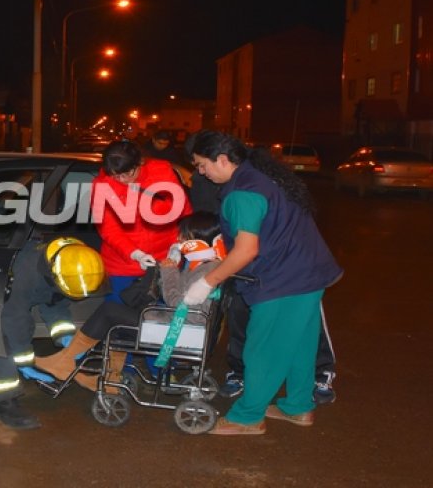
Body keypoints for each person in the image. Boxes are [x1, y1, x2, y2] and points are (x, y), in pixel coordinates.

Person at [185, 130, 342, 436]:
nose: (201, 172)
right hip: (308, 271)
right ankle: (298, 406)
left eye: (202, 165)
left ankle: (248, 417)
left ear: (222, 159)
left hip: (283, 279)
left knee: (262, 349)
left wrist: (207, 281)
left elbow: (246, 250)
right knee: (300, 345)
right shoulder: (260, 177)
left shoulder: (242, 193)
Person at [35, 211, 223, 393]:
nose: (179, 240)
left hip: (180, 330)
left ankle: (66, 361)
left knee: (109, 311)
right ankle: (109, 377)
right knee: (117, 320)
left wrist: (169, 270)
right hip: (182, 325)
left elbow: (175, 302)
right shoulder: (207, 264)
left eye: (184, 236)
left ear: (195, 240)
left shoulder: (206, 270)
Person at [0, 237, 104, 429]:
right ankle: (3, 402)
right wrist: (24, 361)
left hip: (1, 295)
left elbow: (55, 302)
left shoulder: (68, 264)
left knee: (4, 339)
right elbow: (14, 320)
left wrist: (65, 335)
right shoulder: (24, 273)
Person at [92, 140, 192, 304]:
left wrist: (179, 244)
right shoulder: (102, 185)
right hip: (122, 265)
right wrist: (135, 254)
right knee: (118, 311)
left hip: (165, 260)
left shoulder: (162, 172)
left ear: (140, 162)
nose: (123, 179)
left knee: (160, 312)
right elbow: (108, 229)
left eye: (128, 173)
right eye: (116, 175)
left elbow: (183, 212)